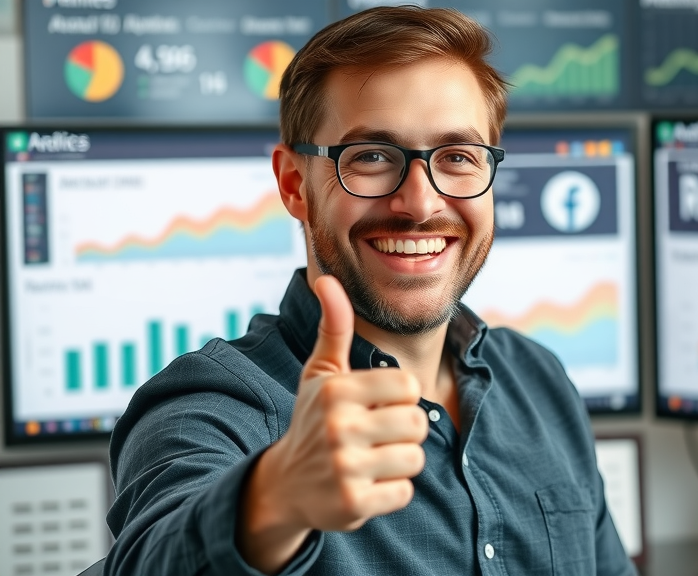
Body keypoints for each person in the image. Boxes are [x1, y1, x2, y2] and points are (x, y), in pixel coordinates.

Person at [104, 6, 634, 576]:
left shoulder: (539, 381)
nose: (421, 203)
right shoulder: (214, 407)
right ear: (294, 186)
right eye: (372, 157)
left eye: (457, 157)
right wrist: (272, 501)